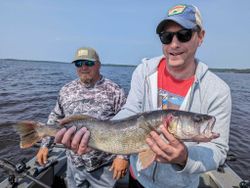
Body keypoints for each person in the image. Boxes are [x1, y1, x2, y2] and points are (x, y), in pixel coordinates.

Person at [55, 4, 232, 188]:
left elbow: (218, 150)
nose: (174, 44)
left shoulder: (218, 91)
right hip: (138, 178)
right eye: (166, 36)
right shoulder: (144, 72)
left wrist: (184, 158)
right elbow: (130, 110)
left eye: (184, 34)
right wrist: (103, 134)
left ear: (200, 36)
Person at [36, 47, 129, 188]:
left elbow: (127, 126)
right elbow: (55, 117)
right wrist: (44, 146)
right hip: (74, 165)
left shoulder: (115, 91)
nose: (83, 67)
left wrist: (122, 156)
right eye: (79, 64)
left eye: (88, 63)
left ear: (98, 64)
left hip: (105, 166)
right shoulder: (66, 90)